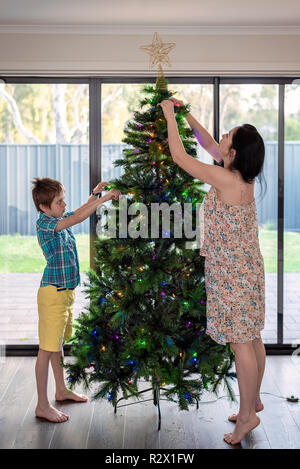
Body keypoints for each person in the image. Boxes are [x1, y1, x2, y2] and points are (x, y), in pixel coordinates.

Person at [159, 98, 266, 446]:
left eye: (227, 136)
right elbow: (207, 143)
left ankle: (247, 416)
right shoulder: (238, 174)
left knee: (241, 344)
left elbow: (181, 157)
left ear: (232, 153)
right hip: (247, 268)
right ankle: (254, 400)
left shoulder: (224, 178)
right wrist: (185, 111)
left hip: (232, 274)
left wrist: (168, 116)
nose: (220, 137)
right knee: (251, 338)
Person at [31, 177, 121, 423]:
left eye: (63, 199)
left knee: (57, 344)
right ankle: (42, 404)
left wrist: (93, 195)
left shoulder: (57, 218)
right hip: (52, 294)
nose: (64, 204)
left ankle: (60, 390)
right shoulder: (45, 225)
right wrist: (104, 199)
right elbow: (78, 218)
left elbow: (76, 212)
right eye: (59, 202)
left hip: (65, 293)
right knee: (46, 350)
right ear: (44, 208)